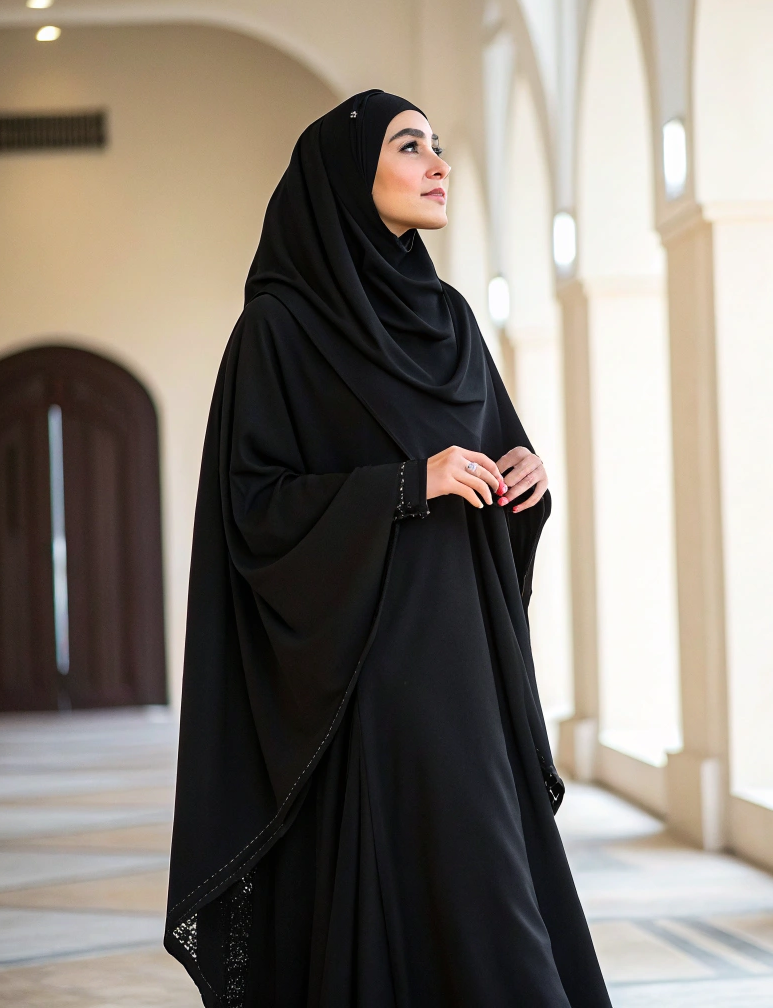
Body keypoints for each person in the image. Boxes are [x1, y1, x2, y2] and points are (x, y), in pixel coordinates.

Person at [165, 89, 613, 1008]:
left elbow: (488, 458)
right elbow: (252, 509)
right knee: (430, 882)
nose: (438, 163)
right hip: (363, 672)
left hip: (467, 657)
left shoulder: (449, 319)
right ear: (346, 175)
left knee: (490, 879)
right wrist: (409, 485)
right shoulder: (278, 333)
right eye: (413, 147)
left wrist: (522, 479)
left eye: (437, 146)